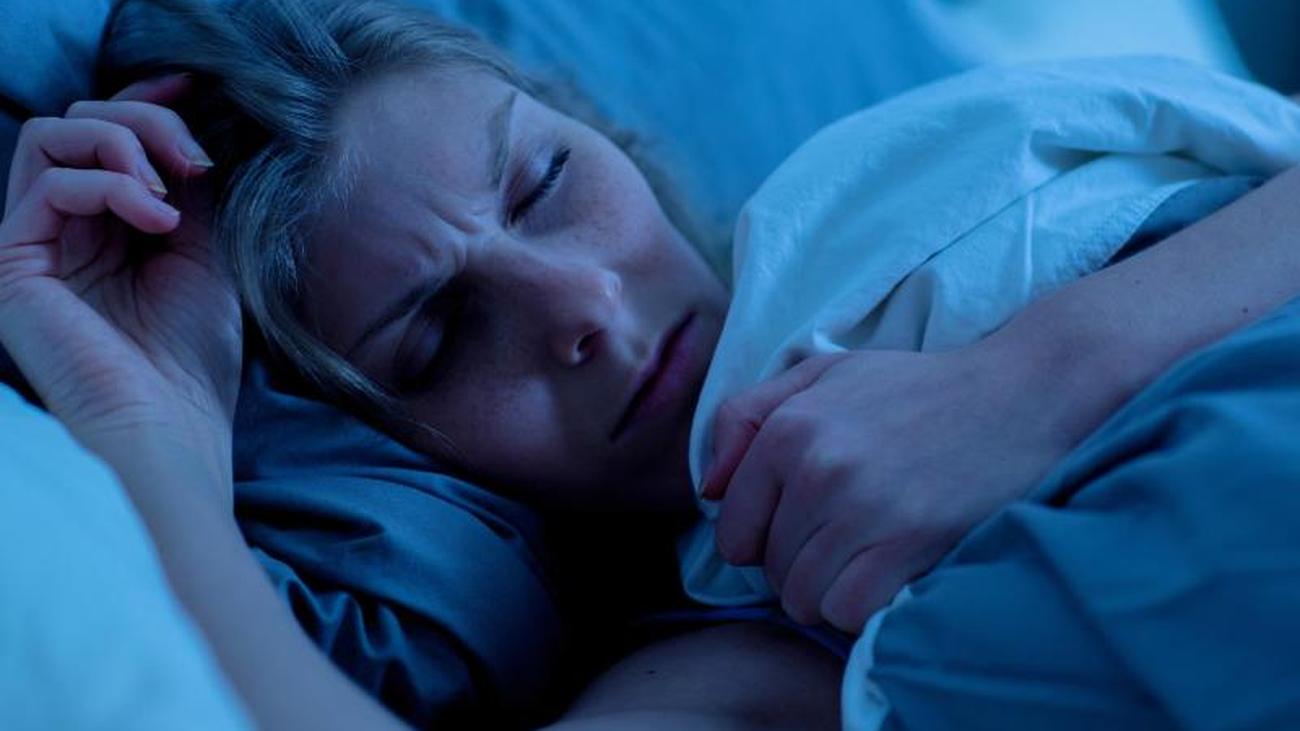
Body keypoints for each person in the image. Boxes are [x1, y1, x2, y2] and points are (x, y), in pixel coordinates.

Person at [3, 0, 1300, 729]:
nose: (577, 303)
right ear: (406, 454)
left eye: (548, 182)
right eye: (439, 336)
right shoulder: (727, 653)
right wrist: (146, 427)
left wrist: (1040, 376)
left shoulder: (941, 169)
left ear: (607, 135)